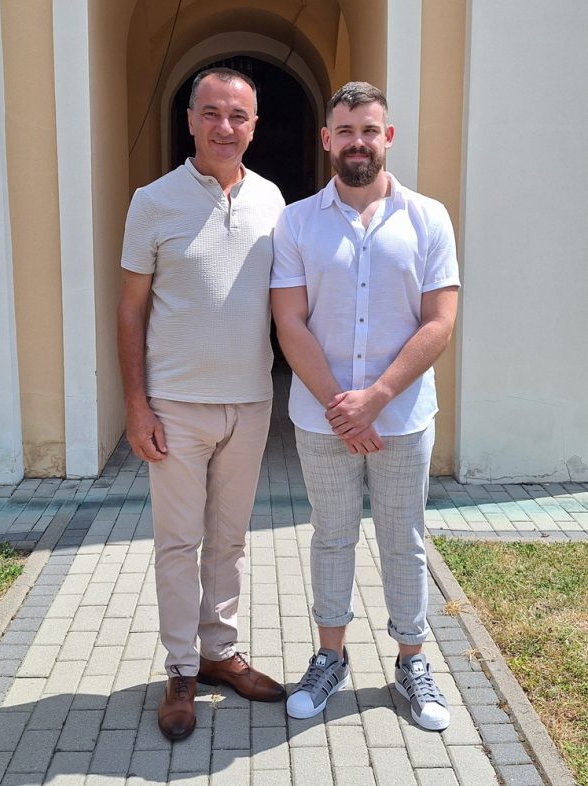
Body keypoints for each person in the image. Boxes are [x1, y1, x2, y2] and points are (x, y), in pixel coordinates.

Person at [271, 81, 460, 731]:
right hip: (321, 420)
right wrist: (341, 406)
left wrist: (376, 398)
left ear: (388, 137)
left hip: (403, 418)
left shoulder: (428, 218)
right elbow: (290, 322)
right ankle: (330, 657)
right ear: (328, 139)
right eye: (346, 131)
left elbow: (439, 321)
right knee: (331, 536)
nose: (358, 142)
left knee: (404, 540)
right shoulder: (296, 221)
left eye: (369, 130)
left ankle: (412, 661)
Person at [117, 67, 286, 742]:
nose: (224, 126)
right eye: (211, 113)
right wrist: (136, 405)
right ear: (189, 120)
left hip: (250, 402)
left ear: (254, 125)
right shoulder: (153, 201)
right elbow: (131, 311)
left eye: (238, 115)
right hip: (175, 406)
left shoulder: (273, 201)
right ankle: (182, 669)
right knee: (177, 543)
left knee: (230, 539)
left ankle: (220, 652)